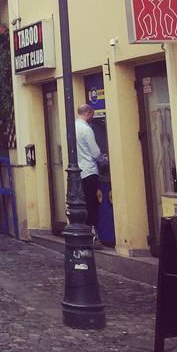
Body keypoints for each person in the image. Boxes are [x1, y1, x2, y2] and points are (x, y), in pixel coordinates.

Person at [76, 103, 103, 248]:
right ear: (87, 113)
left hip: (78, 173)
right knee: (92, 204)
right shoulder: (86, 129)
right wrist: (103, 159)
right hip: (89, 171)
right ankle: (93, 235)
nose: (92, 118)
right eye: (92, 115)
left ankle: (84, 233)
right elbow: (95, 152)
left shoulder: (72, 127)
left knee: (83, 204)